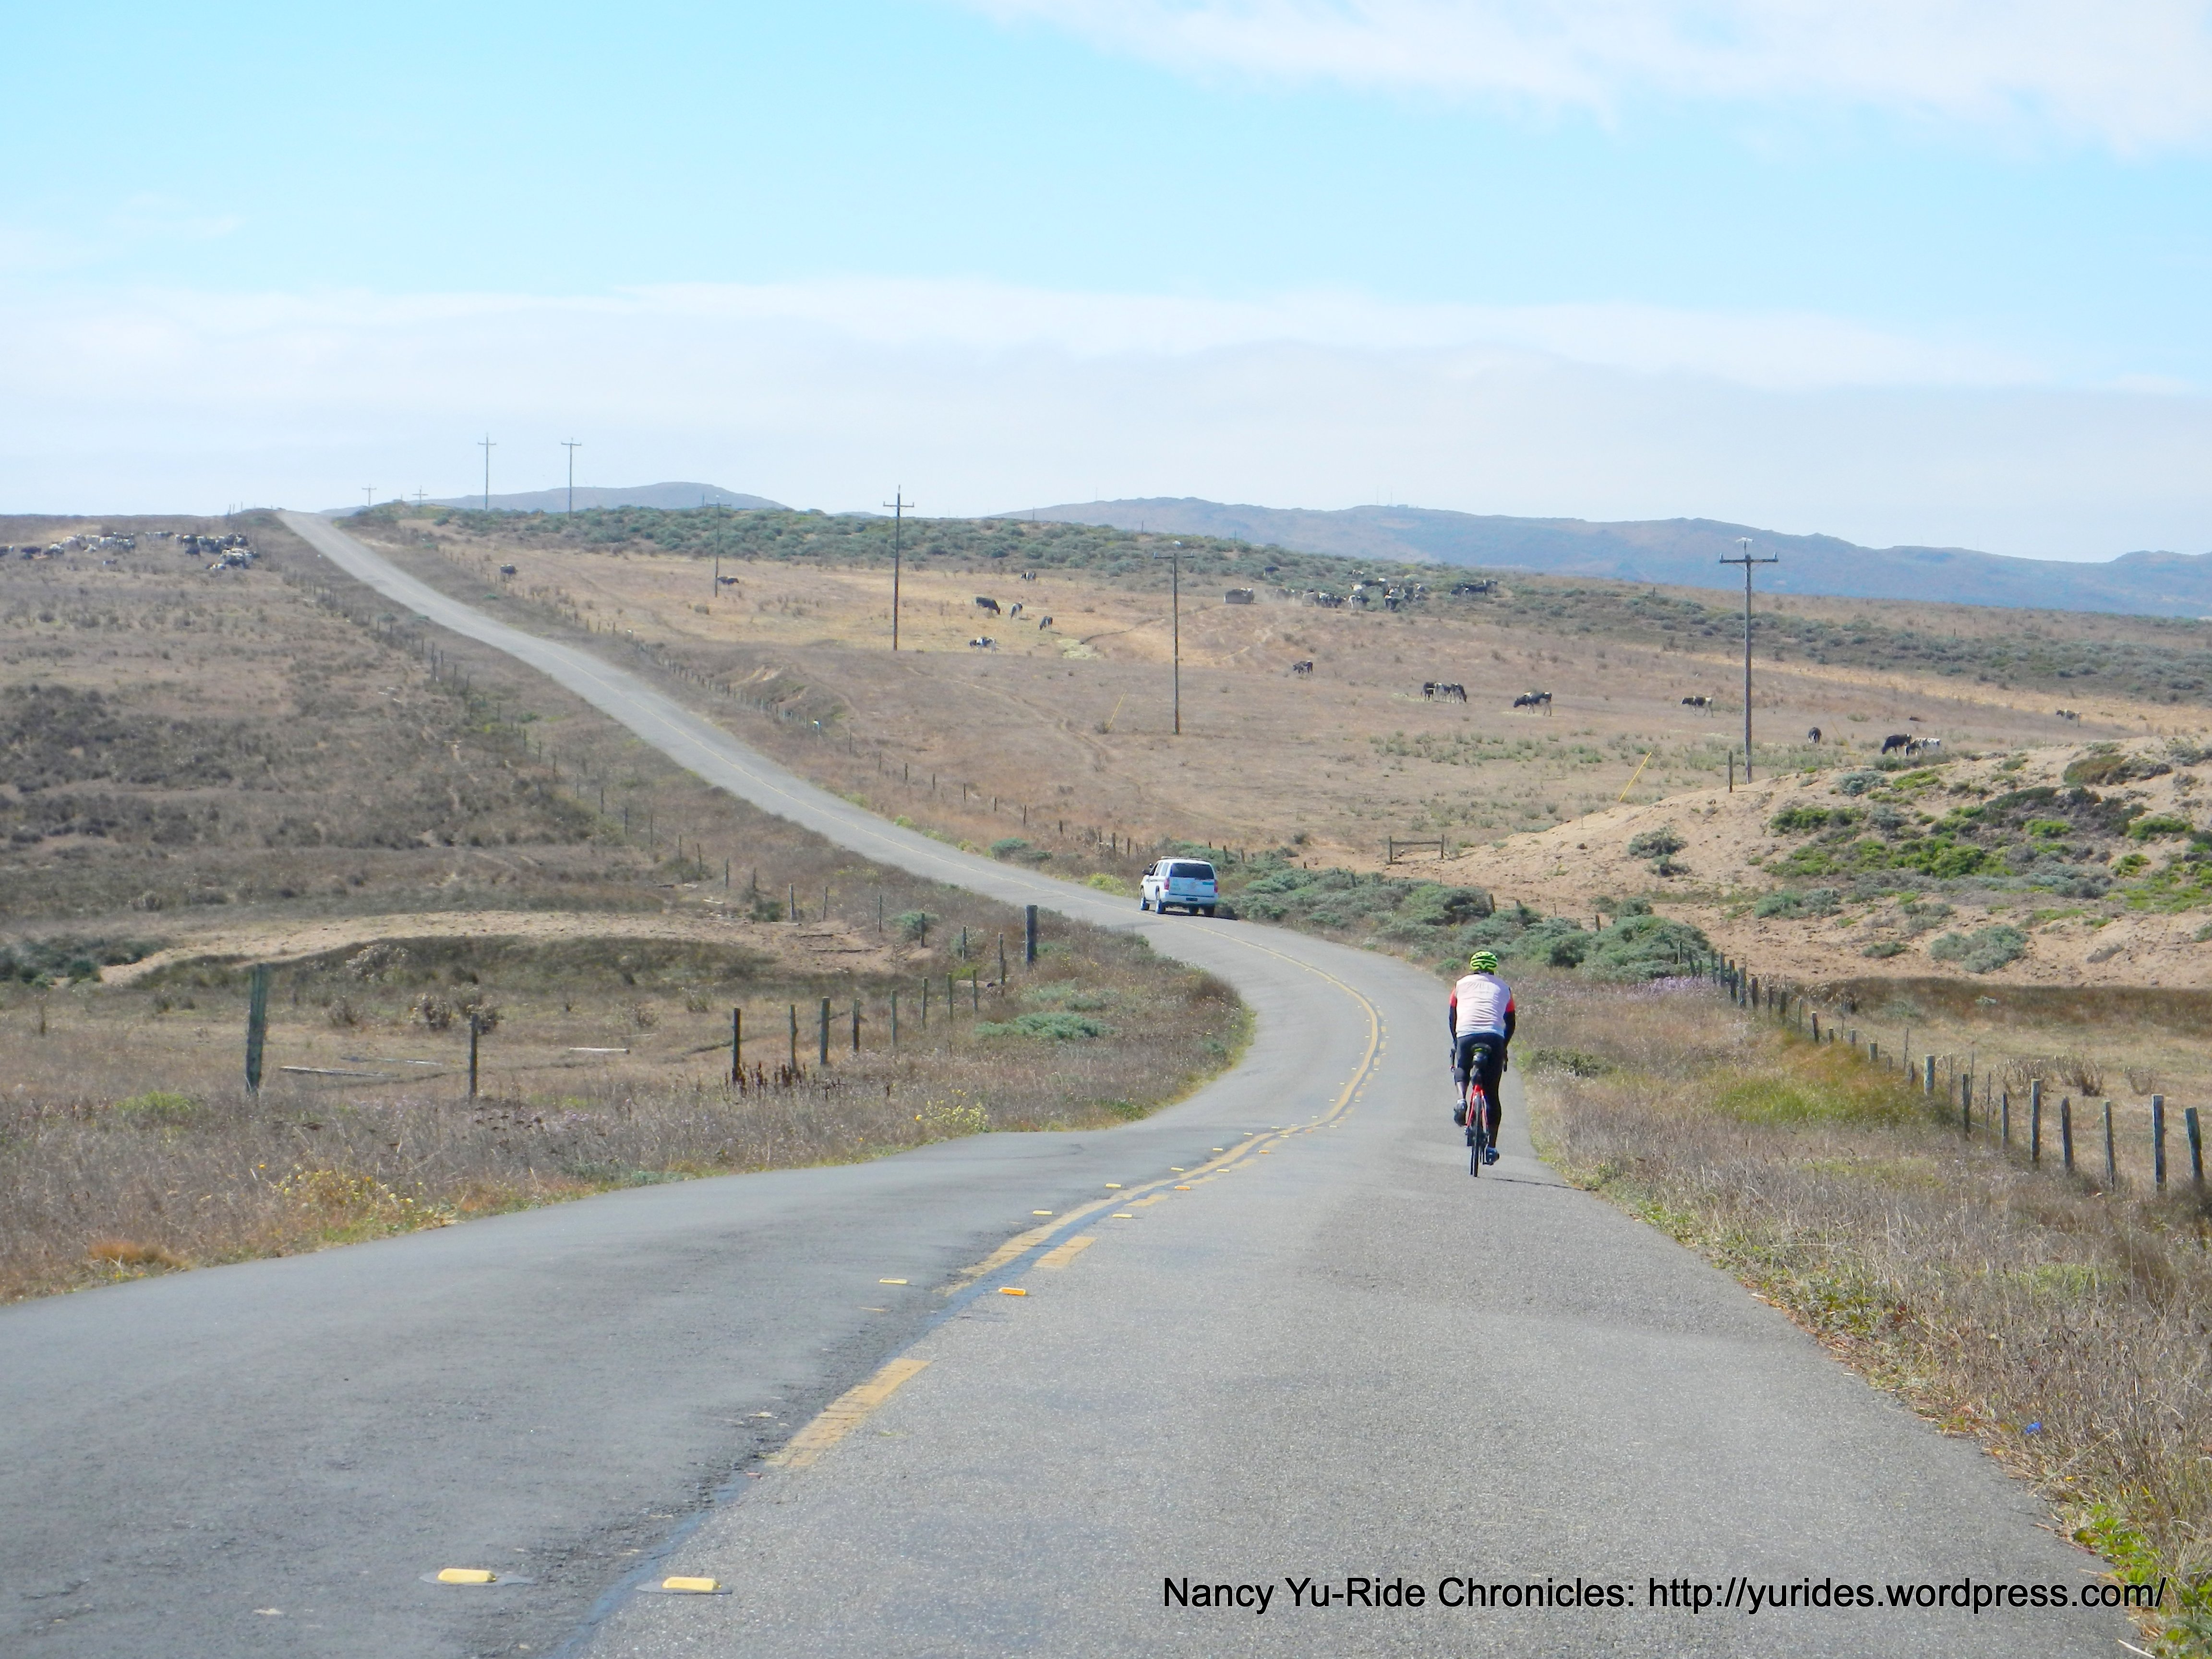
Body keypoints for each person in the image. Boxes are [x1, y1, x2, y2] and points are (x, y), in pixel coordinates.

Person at [1449, 950, 1515, 1165]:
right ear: (1493, 968)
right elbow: (1511, 1023)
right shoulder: (1504, 988)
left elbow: (1453, 1016)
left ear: (1472, 967)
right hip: (1494, 1037)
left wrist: (1456, 1042)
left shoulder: (1460, 985)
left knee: (1463, 1065)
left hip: (1466, 1034)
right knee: (1492, 1094)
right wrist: (1503, 1048)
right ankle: (1492, 1147)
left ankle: (1462, 1099)